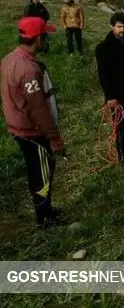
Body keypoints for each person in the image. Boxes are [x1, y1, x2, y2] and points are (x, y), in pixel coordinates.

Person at [0, 16, 66, 228]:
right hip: (32, 131)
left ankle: (44, 210)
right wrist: (54, 138)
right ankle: (45, 218)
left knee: (36, 170)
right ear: (37, 39)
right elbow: (39, 110)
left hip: (16, 126)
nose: (46, 41)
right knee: (42, 173)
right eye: (44, 36)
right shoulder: (29, 69)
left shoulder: (9, 59)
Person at [95, 12, 124, 166]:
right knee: (120, 130)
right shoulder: (103, 48)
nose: (122, 30)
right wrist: (110, 97)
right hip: (116, 96)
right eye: (119, 26)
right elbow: (103, 75)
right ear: (112, 26)